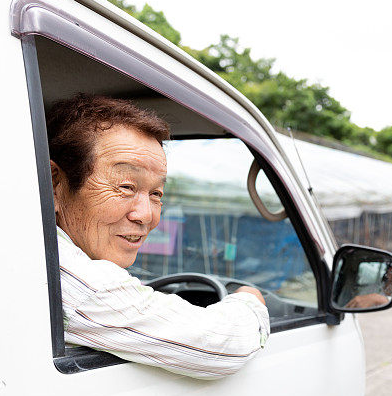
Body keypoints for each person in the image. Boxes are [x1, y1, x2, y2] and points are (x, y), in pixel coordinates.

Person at [47, 93, 269, 379]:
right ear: (55, 184)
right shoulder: (66, 276)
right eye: (126, 187)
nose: (147, 216)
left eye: (156, 194)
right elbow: (219, 345)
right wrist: (250, 301)